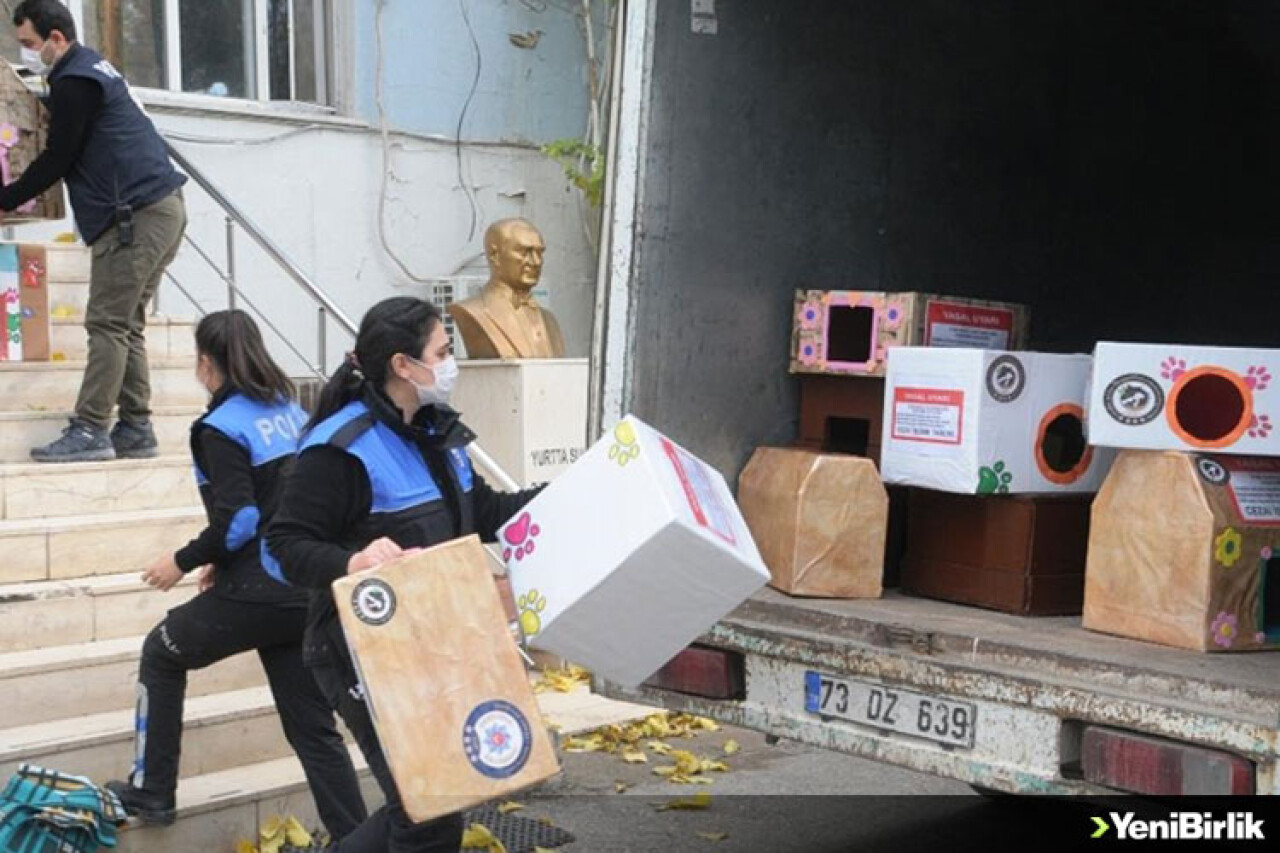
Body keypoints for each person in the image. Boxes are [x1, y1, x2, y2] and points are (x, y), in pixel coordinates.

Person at [267, 296, 541, 853]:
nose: (449, 363)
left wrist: (574, 495)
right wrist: (354, 561)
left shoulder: (434, 432)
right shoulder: (341, 447)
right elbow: (283, 547)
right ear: (402, 365)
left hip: (430, 641)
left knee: (433, 806)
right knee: (429, 811)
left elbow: (482, 514)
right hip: (360, 649)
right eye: (442, 351)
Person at [104, 310, 367, 843]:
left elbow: (241, 518)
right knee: (314, 730)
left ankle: (152, 790)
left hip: (262, 586)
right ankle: (356, 837)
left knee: (161, 652)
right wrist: (221, 562)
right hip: (303, 587)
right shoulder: (290, 409)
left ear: (206, 364)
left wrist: (180, 561)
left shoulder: (219, 427)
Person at [2, 0, 188, 463]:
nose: (27, 52)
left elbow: (58, 158)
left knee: (106, 322)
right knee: (127, 324)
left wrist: (7, 199)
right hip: (161, 209)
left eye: (28, 43)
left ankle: (90, 429)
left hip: (134, 215)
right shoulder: (92, 72)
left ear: (56, 38)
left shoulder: (76, 81)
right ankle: (136, 427)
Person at [446, 218, 567, 359]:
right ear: (494, 256)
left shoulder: (549, 321)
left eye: (539, 253)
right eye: (524, 252)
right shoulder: (472, 311)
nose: (536, 262)